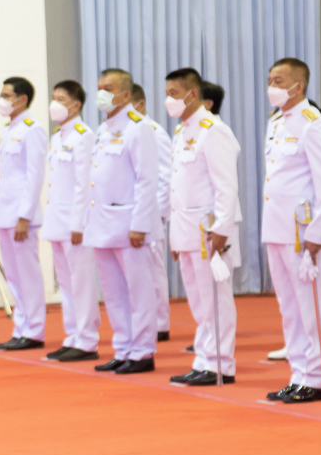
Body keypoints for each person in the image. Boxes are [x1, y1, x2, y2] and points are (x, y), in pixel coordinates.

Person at [262, 57, 321, 403]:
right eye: (270, 80)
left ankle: (317, 377)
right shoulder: (276, 123)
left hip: (302, 232)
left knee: (311, 306)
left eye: (279, 81)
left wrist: (318, 232)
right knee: (289, 307)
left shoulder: (313, 124)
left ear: (299, 85)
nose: (272, 87)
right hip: (276, 227)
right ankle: (298, 374)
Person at [164, 68, 242, 386]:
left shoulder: (213, 130)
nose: (169, 100)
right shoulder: (182, 132)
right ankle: (204, 359)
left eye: (174, 93)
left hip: (209, 231)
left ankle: (221, 364)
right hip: (186, 231)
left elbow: (226, 185)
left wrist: (222, 229)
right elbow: (178, 188)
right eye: (167, 93)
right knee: (198, 301)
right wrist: (174, 236)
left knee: (215, 299)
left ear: (192, 94)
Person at [84, 68, 161, 374]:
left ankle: (142, 351)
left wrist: (140, 224)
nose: (101, 93)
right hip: (103, 223)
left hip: (129, 223)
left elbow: (147, 178)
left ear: (126, 95)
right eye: (99, 87)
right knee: (114, 292)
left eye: (109, 88)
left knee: (139, 292)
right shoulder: (104, 129)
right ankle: (123, 347)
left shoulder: (138, 127)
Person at [41, 80, 101, 362]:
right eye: (54, 98)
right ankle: (72, 335)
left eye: (61, 99)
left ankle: (87, 339)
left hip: (75, 223)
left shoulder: (83, 136)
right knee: (65, 283)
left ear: (76, 105)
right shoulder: (58, 136)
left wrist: (79, 223)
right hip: (57, 219)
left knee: (82, 282)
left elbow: (84, 183)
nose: (55, 103)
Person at [0, 77, 49, 351]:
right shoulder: (9, 129)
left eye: (6, 95)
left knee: (28, 275)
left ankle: (34, 330)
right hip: (6, 213)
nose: (1, 100)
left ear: (22, 99)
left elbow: (35, 176)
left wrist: (24, 216)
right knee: (13, 276)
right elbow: (5, 178)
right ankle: (21, 328)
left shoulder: (32, 130)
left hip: (22, 216)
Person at [131, 83, 173, 342]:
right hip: (132, 213)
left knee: (153, 268)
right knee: (136, 272)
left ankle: (160, 323)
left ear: (140, 104)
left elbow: (165, 177)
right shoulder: (125, 131)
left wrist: (158, 213)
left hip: (151, 213)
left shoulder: (155, 133)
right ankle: (142, 321)